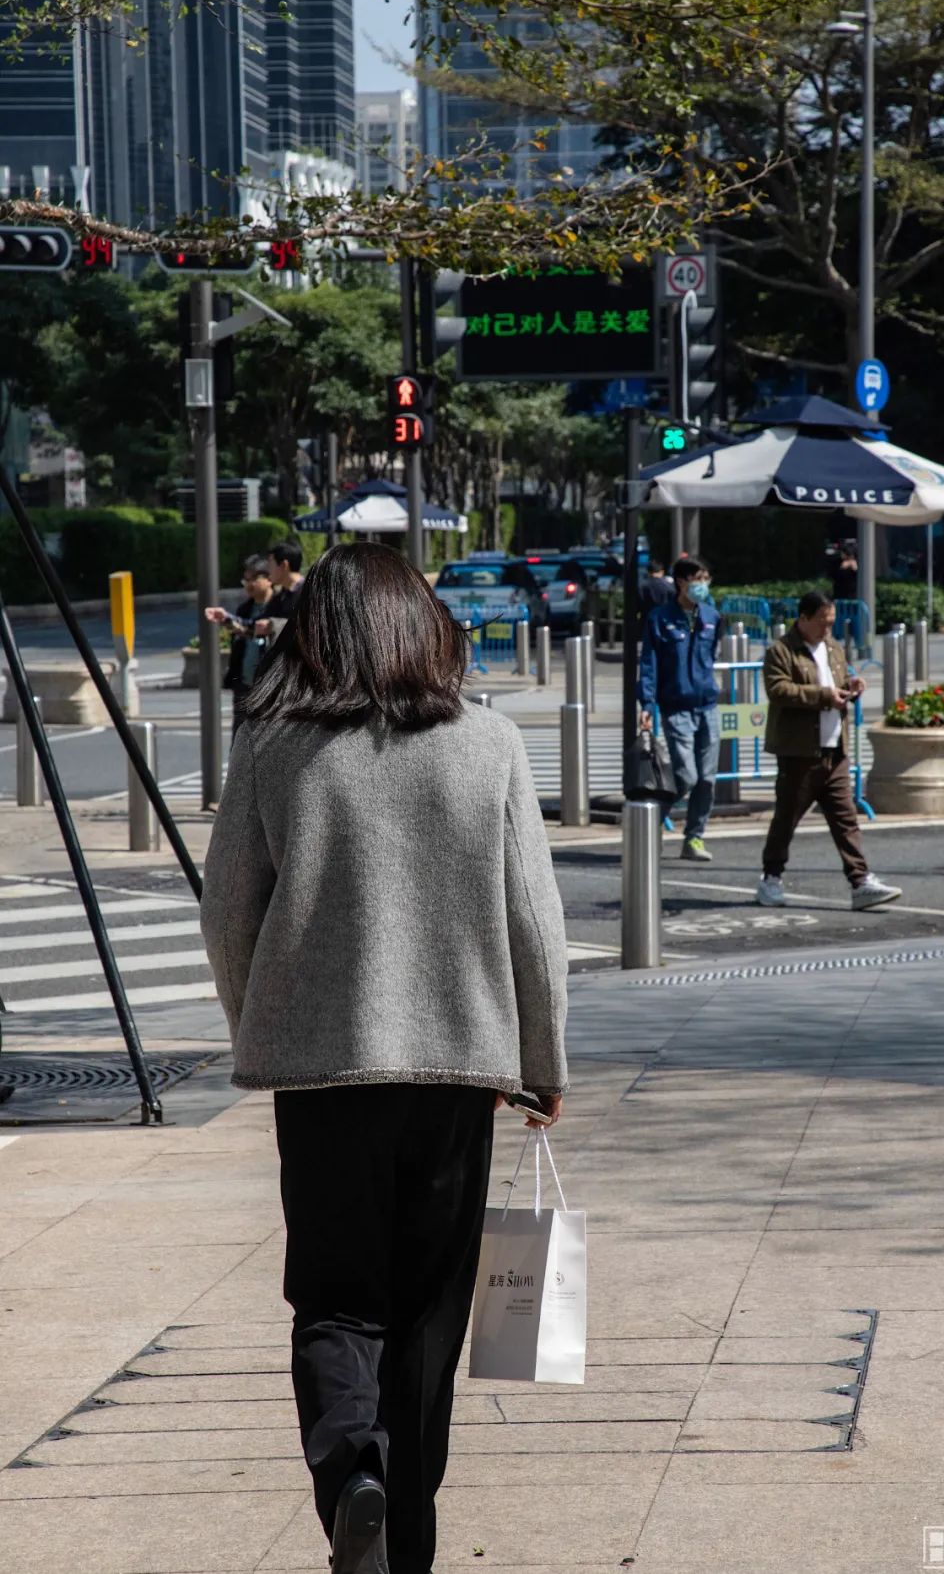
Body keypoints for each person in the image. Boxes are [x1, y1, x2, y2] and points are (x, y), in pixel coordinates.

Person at [200, 542, 568, 1574]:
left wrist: (258, 1024)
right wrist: (542, 1061)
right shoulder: (488, 742)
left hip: (323, 1076)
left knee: (334, 1299)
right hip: (458, 1071)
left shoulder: (271, 741)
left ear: (314, 632)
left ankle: (351, 1475)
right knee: (426, 1318)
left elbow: (230, 912)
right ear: (426, 625)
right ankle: (407, 1539)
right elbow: (533, 922)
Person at [757, 590, 902, 911]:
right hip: (799, 752)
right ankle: (771, 877)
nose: (827, 630)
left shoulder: (833, 647)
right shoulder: (781, 651)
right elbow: (779, 690)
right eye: (822, 622)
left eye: (832, 623)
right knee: (787, 818)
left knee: (846, 818)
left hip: (834, 747)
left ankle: (860, 880)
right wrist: (824, 696)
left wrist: (853, 686)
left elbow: (842, 676)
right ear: (803, 618)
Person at [638, 555, 720, 863]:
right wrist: (646, 703)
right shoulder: (660, 619)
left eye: (706, 578)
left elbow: (710, 654)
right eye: (697, 579)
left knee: (707, 778)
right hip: (676, 707)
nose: (703, 585)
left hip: (707, 706)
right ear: (681, 582)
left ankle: (694, 838)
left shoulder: (712, 615)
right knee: (687, 776)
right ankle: (649, 825)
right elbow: (649, 664)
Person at [204, 554, 275, 737]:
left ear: (268, 579)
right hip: (244, 683)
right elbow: (243, 629)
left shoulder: (278, 606)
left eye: (254, 579)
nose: (249, 584)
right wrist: (227, 621)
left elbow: (255, 628)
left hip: (268, 684)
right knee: (241, 735)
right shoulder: (244, 608)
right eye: (246, 579)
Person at [252, 538, 307, 638]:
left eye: (270, 563)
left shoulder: (309, 593)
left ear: (284, 565)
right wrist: (227, 619)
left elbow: (309, 626)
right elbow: (256, 623)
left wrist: (274, 625)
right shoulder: (280, 596)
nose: (268, 570)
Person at [639, 556, 675, 620]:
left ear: (648, 572)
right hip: (665, 620)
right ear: (662, 571)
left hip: (647, 620)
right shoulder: (669, 586)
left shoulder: (642, 586)